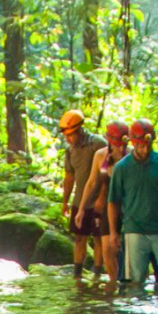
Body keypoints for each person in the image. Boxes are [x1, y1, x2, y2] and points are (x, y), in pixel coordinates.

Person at [106, 119, 158, 291]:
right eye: (139, 145)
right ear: (132, 143)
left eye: (146, 145)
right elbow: (113, 202)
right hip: (134, 231)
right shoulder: (122, 167)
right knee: (134, 282)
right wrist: (113, 232)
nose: (144, 149)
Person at [57, 110, 107, 280]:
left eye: (70, 135)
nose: (68, 139)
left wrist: (102, 198)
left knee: (99, 238)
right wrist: (65, 202)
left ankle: (97, 274)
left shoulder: (98, 144)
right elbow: (69, 177)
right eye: (66, 136)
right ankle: (77, 274)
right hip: (80, 202)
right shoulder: (69, 150)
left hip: (99, 201)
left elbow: (108, 173)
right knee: (79, 238)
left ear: (79, 131)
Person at [97, 120, 128, 282]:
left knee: (126, 252)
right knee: (107, 251)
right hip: (107, 208)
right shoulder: (101, 156)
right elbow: (93, 182)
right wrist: (81, 208)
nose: (119, 147)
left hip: (128, 209)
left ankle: (128, 285)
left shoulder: (132, 157)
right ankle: (114, 283)